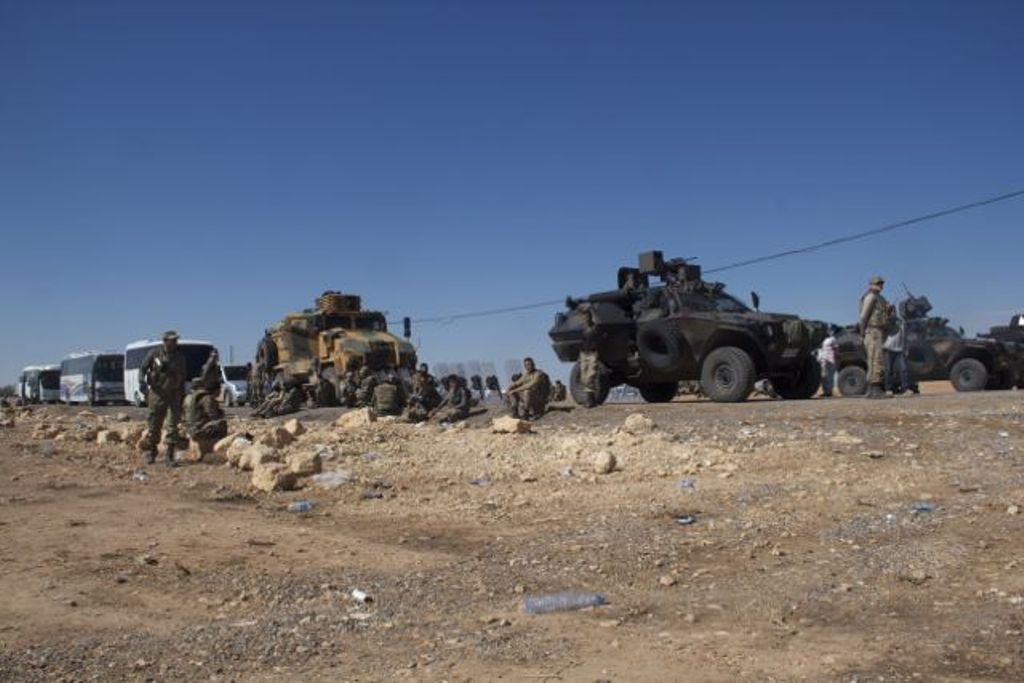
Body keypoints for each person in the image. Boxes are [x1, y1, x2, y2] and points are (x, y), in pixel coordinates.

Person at [140, 331, 188, 467]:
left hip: (174, 395)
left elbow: (183, 377)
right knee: (154, 424)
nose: (174, 343)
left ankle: (169, 455)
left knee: (172, 426)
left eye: (176, 340)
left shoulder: (180, 357)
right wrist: (141, 383)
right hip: (157, 394)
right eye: (172, 340)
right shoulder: (154, 354)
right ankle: (152, 451)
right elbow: (143, 369)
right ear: (165, 341)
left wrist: (182, 396)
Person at [858, 276, 894, 399]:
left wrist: (888, 311)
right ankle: (875, 389)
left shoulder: (880, 298)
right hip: (872, 330)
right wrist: (862, 333)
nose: (880, 285)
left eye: (881, 283)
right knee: (876, 359)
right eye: (877, 283)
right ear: (871, 285)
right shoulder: (871, 297)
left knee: (875, 358)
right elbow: (863, 317)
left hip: (878, 330)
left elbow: (883, 315)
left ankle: (872, 390)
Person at [185, 351, 228, 450]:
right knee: (221, 424)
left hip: (192, 427)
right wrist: (220, 414)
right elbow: (213, 416)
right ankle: (218, 445)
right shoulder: (207, 398)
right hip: (197, 430)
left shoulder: (192, 396)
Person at [883, 309, 919, 395]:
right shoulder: (887, 322)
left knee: (903, 369)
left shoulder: (901, 322)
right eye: (891, 312)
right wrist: (889, 319)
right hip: (889, 348)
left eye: (894, 311)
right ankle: (888, 389)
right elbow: (885, 330)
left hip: (900, 349)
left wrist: (906, 348)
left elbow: (904, 335)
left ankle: (905, 388)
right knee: (888, 370)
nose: (894, 313)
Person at [577, 306, 603, 406]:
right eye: (584, 316)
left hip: (592, 353)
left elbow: (599, 322)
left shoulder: (595, 327)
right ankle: (590, 397)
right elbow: (580, 342)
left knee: (591, 375)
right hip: (583, 354)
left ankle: (590, 399)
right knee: (583, 377)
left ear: (590, 317)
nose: (585, 318)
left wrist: (592, 309)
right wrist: (579, 356)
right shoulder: (581, 329)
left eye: (587, 316)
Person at [818, 326, 839, 397]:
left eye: (831, 330)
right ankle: (825, 391)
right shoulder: (825, 339)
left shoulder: (833, 339)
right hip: (824, 360)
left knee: (830, 376)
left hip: (831, 360)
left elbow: (836, 349)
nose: (829, 331)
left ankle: (829, 392)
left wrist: (835, 358)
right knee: (824, 376)